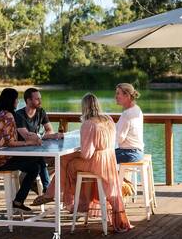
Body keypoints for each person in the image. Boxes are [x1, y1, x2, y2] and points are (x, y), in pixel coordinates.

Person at [32, 93, 132, 232]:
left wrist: (77, 151)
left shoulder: (88, 124)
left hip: (96, 164)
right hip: (109, 161)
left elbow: (86, 154)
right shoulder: (108, 119)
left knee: (66, 162)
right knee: (66, 159)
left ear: (84, 107)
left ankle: (60, 196)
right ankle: (56, 194)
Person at [0, 88, 43, 212]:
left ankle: (38, 192)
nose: (17, 101)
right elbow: (10, 143)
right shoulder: (8, 116)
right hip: (1, 160)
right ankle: (21, 199)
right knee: (35, 166)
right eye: (16, 99)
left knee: (35, 162)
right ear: (11, 100)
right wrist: (28, 143)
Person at [15, 87, 62, 193]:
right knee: (40, 159)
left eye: (40, 98)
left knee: (60, 159)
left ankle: (41, 185)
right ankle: (46, 188)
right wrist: (42, 136)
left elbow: (49, 130)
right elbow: (27, 136)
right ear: (28, 100)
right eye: (37, 99)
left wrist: (40, 136)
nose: (40, 101)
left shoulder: (41, 111)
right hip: (22, 152)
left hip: (37, 150)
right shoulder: (19, 115)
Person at [113, 83, 144, 164]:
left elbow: (119, 139)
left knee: (100, 158)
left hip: (129, 153)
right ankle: (120, 177)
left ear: (126, 95)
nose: (115, 96)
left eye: (118, 93)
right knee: (105, 155)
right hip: (138, 152)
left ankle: (111, 177)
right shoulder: (137, 109)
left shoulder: (127, 114)